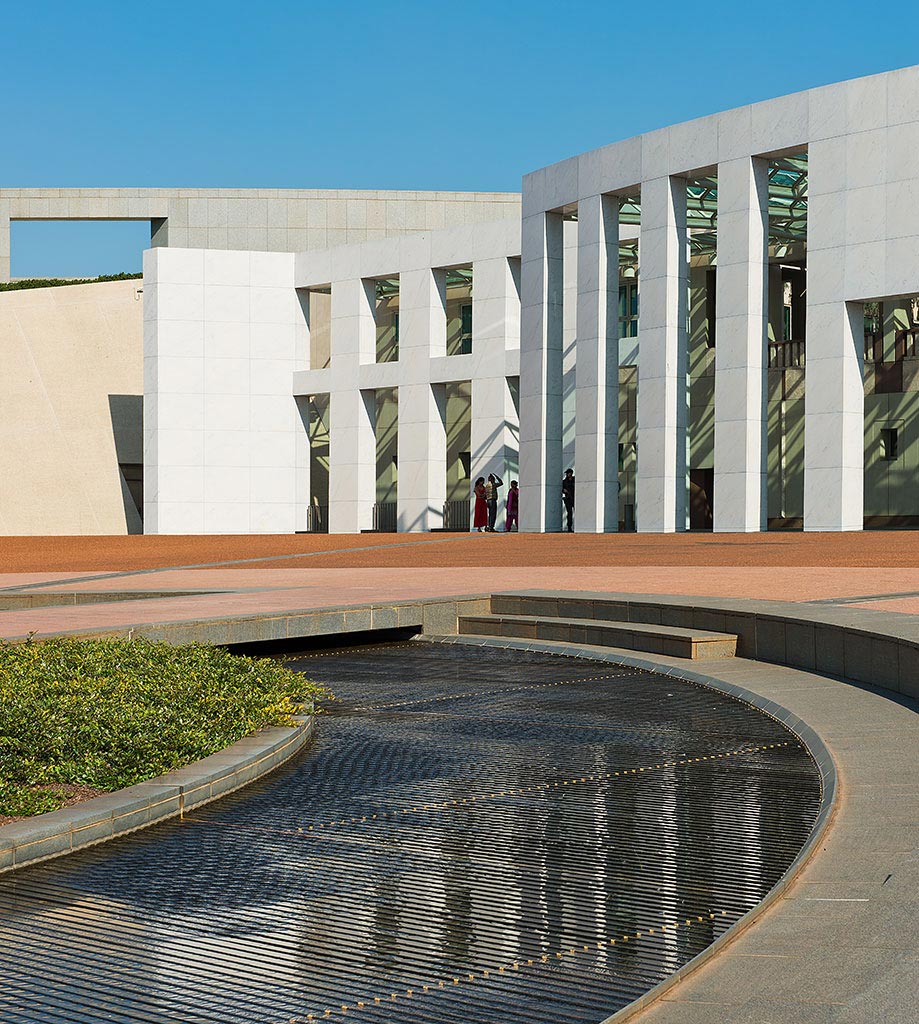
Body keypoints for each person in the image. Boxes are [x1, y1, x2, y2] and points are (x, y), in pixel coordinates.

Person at [562, 468, 575, 532]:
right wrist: (564, 490)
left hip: (575, 498)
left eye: (568, 473)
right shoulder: (564, 481)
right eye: (566, 473)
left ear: (571, 473)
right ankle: (569, 527)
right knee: (569, 513)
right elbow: (562, 489)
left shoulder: (575, 480)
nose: (567, 474)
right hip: (568, 499)